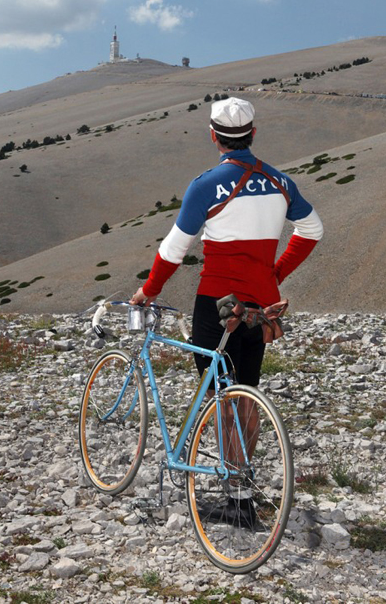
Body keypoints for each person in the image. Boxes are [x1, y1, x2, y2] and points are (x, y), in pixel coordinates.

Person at [130, 97, 323, 525]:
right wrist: (274, 273)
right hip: (260, 305)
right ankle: (241, 499)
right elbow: (312, 230)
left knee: (222, 395)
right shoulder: (280, 182)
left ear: (214, 136)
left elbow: (174, 250)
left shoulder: (206, 184)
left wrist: (148, 290)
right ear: (252, 134)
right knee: (246, 394)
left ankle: (236, 502)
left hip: (215, 306)